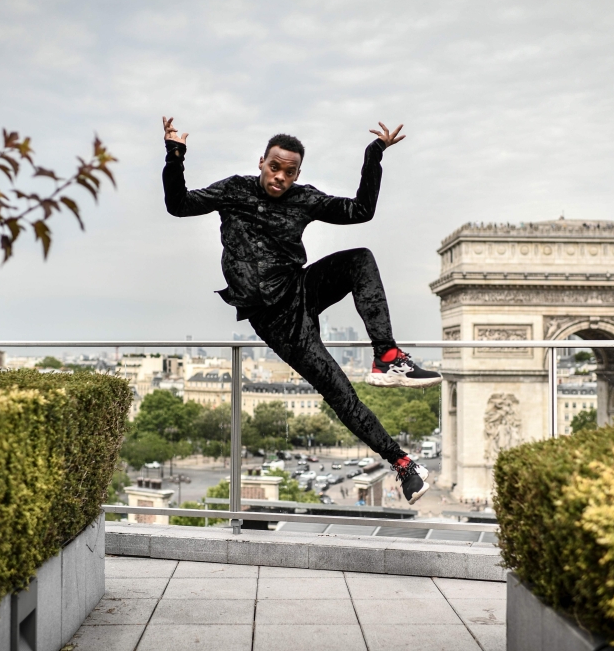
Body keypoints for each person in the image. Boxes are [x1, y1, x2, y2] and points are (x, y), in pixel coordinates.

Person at [161, 117, 440, 504]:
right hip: (278, 323)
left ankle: (388, 357)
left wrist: (374, 155)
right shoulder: (234, 190)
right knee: (339, 391)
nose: (280, 178)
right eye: (274, 167)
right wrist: (175, 153)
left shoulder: (302, 197)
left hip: (302, 289)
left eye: (289, 172)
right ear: (262, 161)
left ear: (297, 174)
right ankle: (403, 464)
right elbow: (178, 205)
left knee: (360, 259)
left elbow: (360, 211)